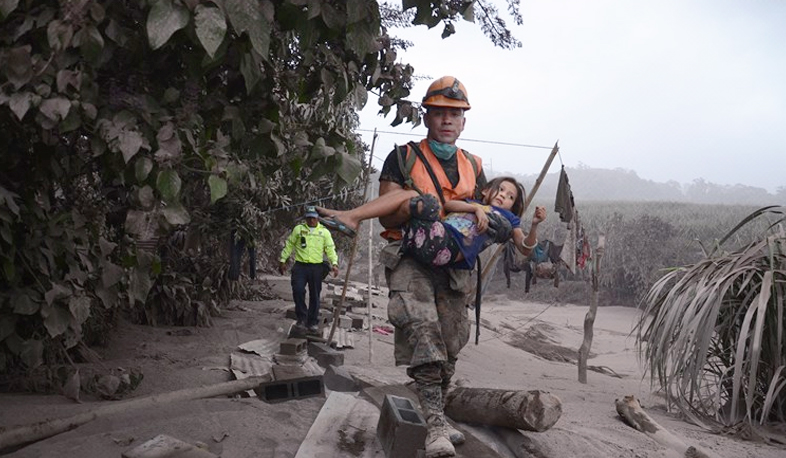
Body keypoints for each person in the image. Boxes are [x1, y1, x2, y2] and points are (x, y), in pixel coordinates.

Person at [355, 76, 544, 458]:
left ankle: (436, 412)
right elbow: (387, 216)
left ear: (463, 122)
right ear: (426, 116)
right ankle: (436, 426)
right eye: (439, 112)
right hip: (411, 256)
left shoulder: (473, 166)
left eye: (454, 114)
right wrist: (416, 209)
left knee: (452, 340)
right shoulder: (403, 157)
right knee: (424, 332)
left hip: (456, 266)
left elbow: (490, 213)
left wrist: (503, 227)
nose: (447, 120)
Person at [317, 176, 547, 270]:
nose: (504, 196)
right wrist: (476, 208)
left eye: (510, 197)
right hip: (430, 237)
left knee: (422, 201)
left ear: (513, 206)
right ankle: (351, 216)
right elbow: (450, 205)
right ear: (486, 191)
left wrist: (535, 225)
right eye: (501, 190)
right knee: (414, 198)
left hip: (447, 249)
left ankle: (352, 217)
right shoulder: (472, 204)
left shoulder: (509, 219)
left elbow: (525, 248)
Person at [279, 206, 339, 335]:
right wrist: (283, 260)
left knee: (315, 295)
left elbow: (330, 248)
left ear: (318, 218)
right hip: (300, 266)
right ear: (305, 218)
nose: (311, 220)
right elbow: (289, 244)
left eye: (313, 218)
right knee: (298, 290)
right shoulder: (299, 229)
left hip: (316, 268)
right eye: (309, 218)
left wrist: (334, 263)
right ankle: (301, 318)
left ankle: (312, 322)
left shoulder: (324, 232)